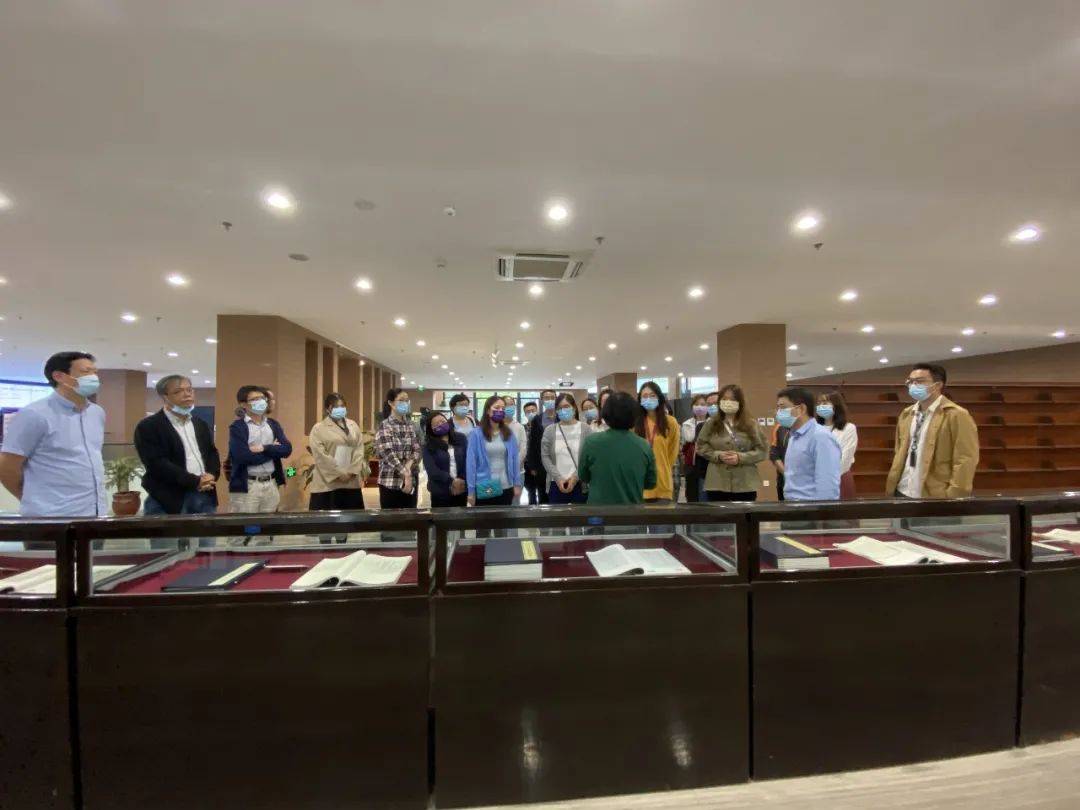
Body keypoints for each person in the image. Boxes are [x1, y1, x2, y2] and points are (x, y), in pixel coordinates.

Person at [0, 352, 107, 524]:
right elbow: (7, 467)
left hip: (95, 515)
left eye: (95, 372)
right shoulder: (34, 414)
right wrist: (32, 499)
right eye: (86, 372)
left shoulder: (96, 413)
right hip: (50, 519)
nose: (93, 378)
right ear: (59, 376)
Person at [886, 363, 979, 498]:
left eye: (920, 381)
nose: (913, 385)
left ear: (938, 385)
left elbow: (965, 459)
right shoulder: (907, 414)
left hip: (935, 494)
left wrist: (955, 494)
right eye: (910, 382)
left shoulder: (956, 415)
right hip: (903, 490)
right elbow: (899, 451)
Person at [134, 374, 220, 517]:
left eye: (189, 390)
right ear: (165, 397)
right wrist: (195, 481)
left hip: (205, 494)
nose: (187, 394)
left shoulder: (200, 424)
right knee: (169, 532)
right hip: (169, 499)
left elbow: (211, 452)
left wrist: (211, 474)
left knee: (207, 532)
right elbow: (157, 463)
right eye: (178, 391)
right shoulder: (149, 426)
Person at [307, 393, 368, 541]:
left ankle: (342, 545)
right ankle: (326, 547)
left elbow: (359, 449)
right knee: (326, 525)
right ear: (328, 409)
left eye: (342, 406)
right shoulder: (318, 428)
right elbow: (320, 454)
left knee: (345, 523)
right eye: (336, 406)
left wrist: (352, 471)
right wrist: (339, 472)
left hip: (349, 480)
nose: (340, 409)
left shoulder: (353, 425)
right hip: (328, 482)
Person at [578, 391, 657, 505]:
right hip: (632, 511)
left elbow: (583, 476)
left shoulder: (592, 442)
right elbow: (650, 483)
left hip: (598, 511)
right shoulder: (644, 445)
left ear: (605, 413)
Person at [696, 384, 767, 501]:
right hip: (717, 482)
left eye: (732, 399)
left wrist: (741, 457)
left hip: (745, 482)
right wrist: (718, 455)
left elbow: (762, 451)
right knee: (719, 511)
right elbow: (701, 445)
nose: (728, 402)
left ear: (740, 402)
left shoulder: (751, 424)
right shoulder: (711, 423)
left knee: (744, 512)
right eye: (724, 399)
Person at [228, 385, 292, 513]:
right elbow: (243, 457)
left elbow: (287, 449)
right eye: (255, 399)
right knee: (247, 523)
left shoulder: (273, 424)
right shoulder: (238, 427)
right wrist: (273, 450)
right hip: (249, 485)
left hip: (271, 483)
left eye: (262, 398)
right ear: (243, 404)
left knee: (269, 523)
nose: (261, 401)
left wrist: (264, 448)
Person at [775, 387, 841, 501]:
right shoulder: (793, 436)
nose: (779, 412)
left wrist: (823, 511)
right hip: (792, 505)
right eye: (778, 408)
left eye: (783, 407)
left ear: (801, 409)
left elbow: (827, 485)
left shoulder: (820, 437)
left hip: (811, 508)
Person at [466, 395, 522, 507]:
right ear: (488, 411)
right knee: (485, 517)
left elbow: (515, 460)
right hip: (485, 486)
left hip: (506, 485)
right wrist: (471, 491)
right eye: (496, 408)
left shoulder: (508, 433)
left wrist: (517, 483)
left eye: (503, 408)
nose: (500, 410)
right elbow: (471, 464)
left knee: (504, 517)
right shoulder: (476, 434)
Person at [541, 393, 592, 504]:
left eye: (566, 406)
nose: (563, 410)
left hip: (580, 484)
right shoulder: (550, 430)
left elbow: (589, 457)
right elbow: (545, 457)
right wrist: (558, 477)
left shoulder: (586, 429)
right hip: (556, 483)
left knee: (580, 514)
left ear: (574, 408)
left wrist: (575, 478)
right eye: (559, 408)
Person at [375, 388, 422, 508]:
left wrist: (409, 466)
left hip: (411, 480)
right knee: (392, 518)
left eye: (407, 400)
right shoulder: (385, 425)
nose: (405, 403)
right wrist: (405, 473)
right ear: (391, 403)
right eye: (401, 400)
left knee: (411, 516)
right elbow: (388, 453)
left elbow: (417, 450)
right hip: (390, 481)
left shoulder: (410, 425)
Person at [634, 382, 680, 503]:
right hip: (638, 486)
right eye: (644, 396)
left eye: (652, 395)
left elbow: (672, 454)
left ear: (659, 397)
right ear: (640, 400)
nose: (648, 399)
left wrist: (662, 468)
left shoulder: (671, 422)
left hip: (662, 485)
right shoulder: (634, 424)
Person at [816, 392, 859, 500]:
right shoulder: (814, 428)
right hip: (816, 481)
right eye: (818, 403)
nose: (821, 406)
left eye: (825, 402)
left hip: (840, 478)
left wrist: (826, 479)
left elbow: (845, 460)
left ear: (836, 405)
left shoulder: (848, 428)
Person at [422, 412, 469, 508]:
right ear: (431, 429)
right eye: (436, 424)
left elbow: (468, 461)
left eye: (442, 421)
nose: (440, 424)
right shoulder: (428, 446)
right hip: (440, 491)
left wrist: (462, 481)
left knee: (461, 516)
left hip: (461, 488)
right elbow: (432, 470)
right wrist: (452, 481)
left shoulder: (461, 438)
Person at [525, 389, 559, 503]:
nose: (550, 400)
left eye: (552, 398)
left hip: (560, 461)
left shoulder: (560, 417)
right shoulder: (537, 419)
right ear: (542, 400)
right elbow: (532, 443)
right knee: (543, 494)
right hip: (541, 464)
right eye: (547, 398)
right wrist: (532, 466)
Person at [680, 394, 709, 502]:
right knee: (691, 494)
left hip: (707, 463)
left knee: (705, 494)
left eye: (703, 404)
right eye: (696, 404)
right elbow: (687, 440)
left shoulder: (713, 423)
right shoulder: (687, 424)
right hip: (691, 464)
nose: (699, 407)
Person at [502, 394, 528, 503]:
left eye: (511, 405)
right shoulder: (495, 426)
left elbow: (523, 449)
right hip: (499, 472)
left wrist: (513, 465)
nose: (509, 407)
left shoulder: (519, 427)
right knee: (501, 502)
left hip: (518, 471)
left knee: (515, 501)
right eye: (506, 405)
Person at [521, 400, 541, 505]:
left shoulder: (542, 427)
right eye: (528, 412)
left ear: (537, 411)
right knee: (530, 490)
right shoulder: (522, 428)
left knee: (541, 490)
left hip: (540, 464)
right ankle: (532, 508)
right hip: (526, 464)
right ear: (525, 414)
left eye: (533, 410)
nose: (531, 413)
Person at [769, 422, 791, 500]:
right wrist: (787, 475)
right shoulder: (779, 427)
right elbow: (773, 454)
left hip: (807, 485)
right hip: (784, 482)